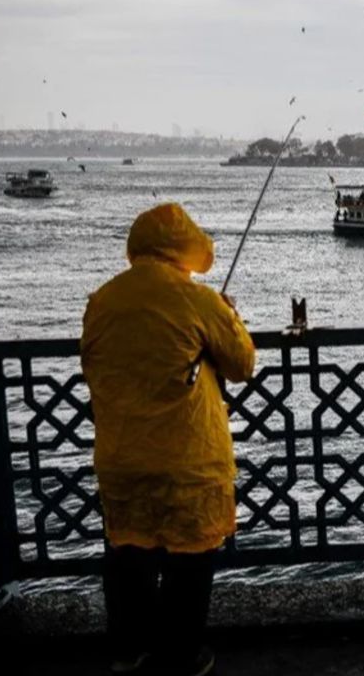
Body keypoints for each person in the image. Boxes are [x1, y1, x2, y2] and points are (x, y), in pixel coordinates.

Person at [81, 202, 256, 675]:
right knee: (190, 560)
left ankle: (128, 651)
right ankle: (183, 656)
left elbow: (93, 364)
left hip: (121, 455)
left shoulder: (103, 300)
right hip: (186, 457)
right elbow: (241, 365)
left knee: (127, 554)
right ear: (186, 248)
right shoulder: (198, 300)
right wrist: (230, 316)